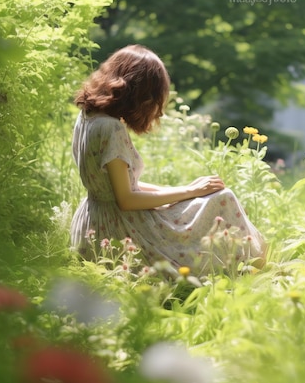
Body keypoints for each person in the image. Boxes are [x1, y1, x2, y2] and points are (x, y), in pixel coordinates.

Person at [70, 45, 266, 275]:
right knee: (223, 198)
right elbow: (126, 199)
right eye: (154, 100)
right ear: (138, 93)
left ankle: (253, 267)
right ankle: (256, 271)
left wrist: (184, 190)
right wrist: (188, 192)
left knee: (204, 197)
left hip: (93, 222)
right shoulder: (110, 129)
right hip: (119, 229)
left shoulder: (88, 117)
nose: (159, 112)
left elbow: (114, 188)